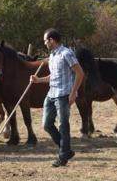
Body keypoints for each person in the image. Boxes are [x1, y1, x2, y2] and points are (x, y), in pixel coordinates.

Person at [30, 28, 84, 167]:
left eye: (45, 41)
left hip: (64, 94)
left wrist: (73, 93)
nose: (44, 43)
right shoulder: (53, 56)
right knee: (47, 124)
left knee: (63, 125)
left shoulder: (67, 53)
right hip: (51, 94)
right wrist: (38, 80)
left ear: (51, 40)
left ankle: (62, 157)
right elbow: (53, 76)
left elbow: (80, 73)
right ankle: (66, 150)